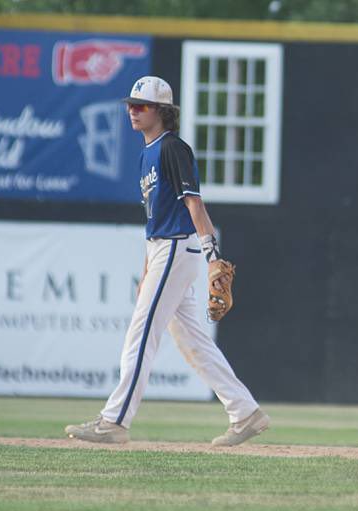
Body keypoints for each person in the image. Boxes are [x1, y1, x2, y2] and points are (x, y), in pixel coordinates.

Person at [65, 76, 270, 446]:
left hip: (177, 247)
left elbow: (194, 203)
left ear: (161, 111)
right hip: (162, 249)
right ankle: (245, 413)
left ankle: (114, 421)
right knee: (194, 342)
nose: (132, 110)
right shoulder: (147, 152)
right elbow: (153, 219)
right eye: (130, 104)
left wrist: (213, 257)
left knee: (141, 335)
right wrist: (147, 271)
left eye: (140, 105)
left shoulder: (172, 148)